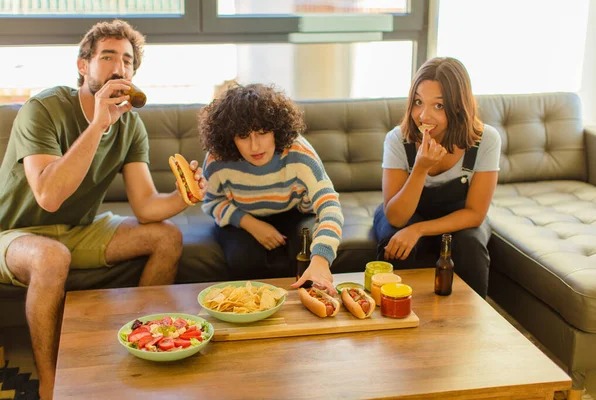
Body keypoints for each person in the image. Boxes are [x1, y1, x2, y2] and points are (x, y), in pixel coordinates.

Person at [0, 20, 204, 399]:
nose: (119, 68)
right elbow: (47, 195)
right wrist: (97, 124)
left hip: (78, 230)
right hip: (14, 234)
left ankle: (143, 345)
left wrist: (185, 195)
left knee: (166, 237)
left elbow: (145, 206)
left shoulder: (131, 127)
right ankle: (50, 384)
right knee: (51, 258)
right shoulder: (43, 108)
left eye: (127, 61)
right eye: (107, 56)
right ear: (83, 65)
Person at [198, 83, 343, 295]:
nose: (255, 147)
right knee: (243, 259)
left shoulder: (299, 153)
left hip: (293, 212)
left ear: (277, 129)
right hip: (241, 215)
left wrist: (321, 259)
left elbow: (329, 205)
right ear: (229, 137)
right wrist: (251, 224)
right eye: (243, 136)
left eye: (263, 132)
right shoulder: (217, 159)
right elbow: (211, 201)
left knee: (304, 251)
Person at [374, 57, 501, 298]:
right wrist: (420, 169)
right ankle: (396, 317)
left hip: (459, 217)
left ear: (458, 106)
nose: (424, 116)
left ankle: (471, 323)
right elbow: (397, 217)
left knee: (470, 245)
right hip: (405, 212)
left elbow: (475, 213)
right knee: (395, 241)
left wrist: (419, 230)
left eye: (438, 106)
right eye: (418, 102)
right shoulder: (397, 140)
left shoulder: (486, 140)